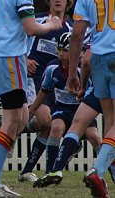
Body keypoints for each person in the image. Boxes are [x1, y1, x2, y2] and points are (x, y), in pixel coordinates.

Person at [0, 0, 62, 197]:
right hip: (9, 57)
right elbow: (31, 28)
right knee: (12, 121)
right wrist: (52, 25)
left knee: (22, 116)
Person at [25, 32, 101, 187]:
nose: (61, 53)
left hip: (82, 110)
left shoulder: (86, 68)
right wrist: (32, 110)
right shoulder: (52, 68)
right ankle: (49, 173)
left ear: (78, 52)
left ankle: (100, 174)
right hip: (62, 109)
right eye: (59, 49)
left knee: (94, 136)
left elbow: (95, 91)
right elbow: (44, 91)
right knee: (56, 127)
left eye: (65, 50)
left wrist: (82, 94)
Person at [18, 0, 79, 182]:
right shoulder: (37, 21)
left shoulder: (70, 28)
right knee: (46, 121)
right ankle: (24, 124)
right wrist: (24, 59)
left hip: (54, 81)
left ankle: (27, 171)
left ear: (68, 2)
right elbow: (15, 40)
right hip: (33, 78)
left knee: (48, 125)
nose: (58, 0)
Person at [66, 0, 115, 196]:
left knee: (110, 123)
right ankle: (98, 171)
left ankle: (103, 181)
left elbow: (76, 36)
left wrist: (72, 74)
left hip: (99, 59)